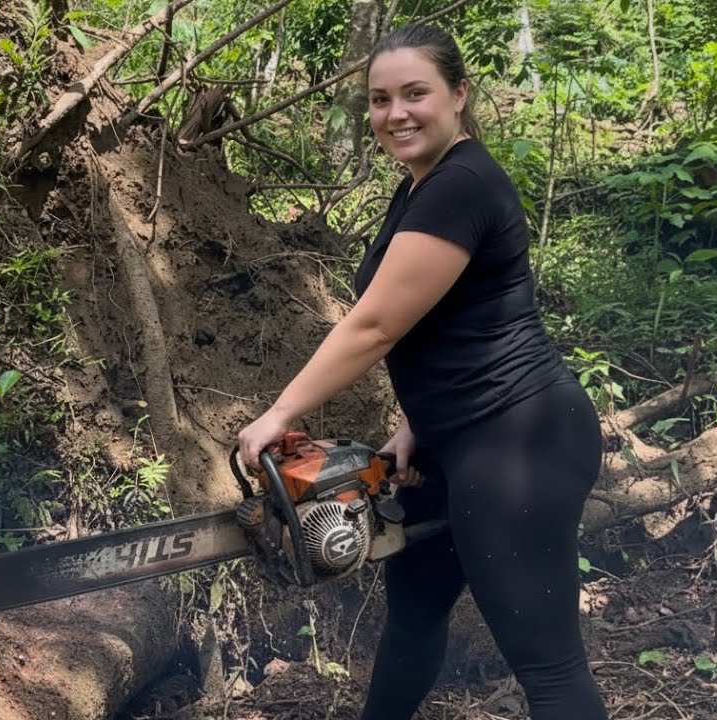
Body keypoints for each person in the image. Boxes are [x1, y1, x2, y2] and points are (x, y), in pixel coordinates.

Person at [236, 23, 609, 720]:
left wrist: (280, 413)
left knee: (550, 670)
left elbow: (377, 326)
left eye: (415, 93)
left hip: (517, 443)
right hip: (453, 443)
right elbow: (454, 317)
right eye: (380, 99)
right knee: (412, 618)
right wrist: (414, 423)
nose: (395, 113)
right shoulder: (422, 186)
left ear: (459, 94)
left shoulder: (461, 184)